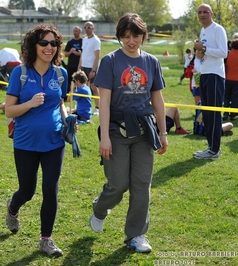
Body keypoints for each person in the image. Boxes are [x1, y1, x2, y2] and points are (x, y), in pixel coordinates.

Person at [90, 13, 168, 253]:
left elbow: (157, 99)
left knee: (142, 185)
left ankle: (136, 235)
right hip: (116, 131)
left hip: (145, 131)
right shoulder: (110, 61)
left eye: (135, 35)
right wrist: (104, 137)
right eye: (126, 36)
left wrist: (163, 133)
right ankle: (100, 208)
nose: (131, 41)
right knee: (118, 184)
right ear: (120, 37)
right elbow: (104, 102)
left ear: (143, 35)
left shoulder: (152, 61)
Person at [4, 24, 68, 257]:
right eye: (44, 43)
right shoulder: (19, 73)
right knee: (27, 191)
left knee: (50, 189)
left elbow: (60, 102)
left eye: (53, 43)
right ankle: (13, 207)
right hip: (25, 143)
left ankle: (46, 239)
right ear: (34, 46)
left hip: (54, 141)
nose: (49, 47)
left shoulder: (61, 74)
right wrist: (30, 103)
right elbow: (9, 111)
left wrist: (68, 118)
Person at [193, 4, 228, 160]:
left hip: (215, 75)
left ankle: (215, 150)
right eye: (199, 12)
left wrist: (204, 48)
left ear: (211, 13)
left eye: (205, 12)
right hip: (205, 73)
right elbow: (206, 50)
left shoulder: (218, 29)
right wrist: (200, 54)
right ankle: (211, 147)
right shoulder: (203, 30)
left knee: (213, 113)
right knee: (206, 112)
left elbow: (223, 52)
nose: (202, 15)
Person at [78, 21, 101, 115]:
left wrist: (93, 70)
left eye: (89, 27)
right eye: (85, 27)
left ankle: (97, 108)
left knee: (94, 87)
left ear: (93, 28)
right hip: (83, 66)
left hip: (91, 67)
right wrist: (79, 66)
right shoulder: (84, 39)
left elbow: (97, 56)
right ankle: (84, 106)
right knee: (83, 87)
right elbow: (83, 53)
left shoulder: (96, 40)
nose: (87, 29)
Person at [63, 26, 82, 100]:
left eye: (76, 31)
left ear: (80, 32)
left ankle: (77, 96)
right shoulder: (70, 42)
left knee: (78, 81)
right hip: (70, 65)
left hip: (79, 65)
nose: (75, 32)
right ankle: (67, 96)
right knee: (69, 81)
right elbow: (65, 54)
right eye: (74, 31)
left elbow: (86, 53)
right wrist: (70, 51)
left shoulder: (83, 41)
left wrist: (80, 54)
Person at [223, 39, 238, 121]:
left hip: (228, 78)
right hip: (237, 79)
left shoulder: (228, 53)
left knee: (226, 96)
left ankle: (225, 113)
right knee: (235, 97)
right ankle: (233, 114)